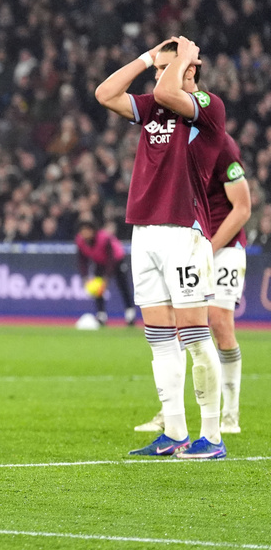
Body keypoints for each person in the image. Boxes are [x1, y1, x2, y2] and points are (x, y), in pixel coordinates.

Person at [94, 35, 227, 459]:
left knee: (193, 334)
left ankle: (212, 436)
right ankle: (174, 432)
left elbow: (170, 89)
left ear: (188, 69)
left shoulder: (207, 107)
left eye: (161, 68)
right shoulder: (154, 109)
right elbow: (105, 93)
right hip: (145, 232)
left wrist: (182, 57)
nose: (155, 75)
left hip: (182, 233)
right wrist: (146, 57)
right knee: (158, 338)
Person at [135, 132, 250, 435]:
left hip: (222, 246)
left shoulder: (221, 143)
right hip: (187, 242)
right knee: (173, 325)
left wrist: (209, 249)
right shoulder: (173, 140)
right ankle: (170, 412)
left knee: (219, 323)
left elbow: (242, 207)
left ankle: (230, 414)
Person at [75, 219, 135, 326]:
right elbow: (82, 260)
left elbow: (111, 258)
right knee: (98, 289)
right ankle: (101, 315)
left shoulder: (104, 238)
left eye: (86, 230)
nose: (84, 233)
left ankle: (130, 314)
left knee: (123, 287)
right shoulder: (80, 241)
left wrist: (106, 278)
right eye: (82, 231)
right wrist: (84, 276)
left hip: (116, 260)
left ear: (93, 230)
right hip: (100, 262)